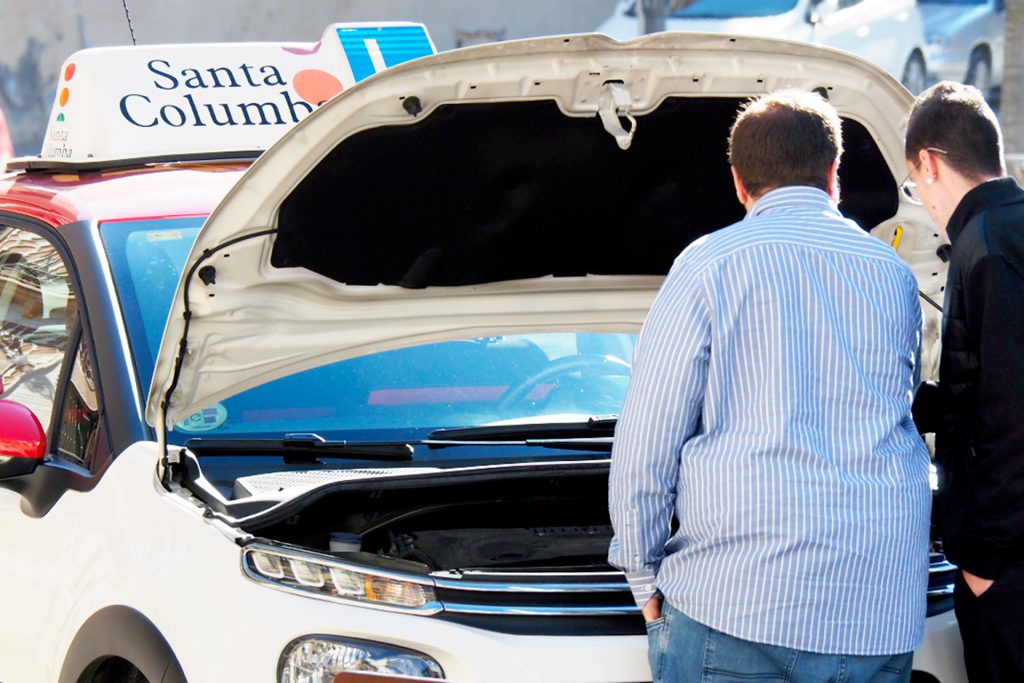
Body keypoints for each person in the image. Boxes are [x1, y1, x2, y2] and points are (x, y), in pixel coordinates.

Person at [608, 89, 931, 682]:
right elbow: (900, 410)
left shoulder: (710, 262)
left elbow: (647, 439)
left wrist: (641, 574)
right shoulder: (892, 275)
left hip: (737, 603)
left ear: (738, 182)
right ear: (835, 174)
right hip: (876, 607)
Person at [905, 81, 1024, 681]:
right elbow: (984, 389)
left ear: (929, 162)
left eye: (912, 184)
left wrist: (985, 558)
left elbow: (1011, 414)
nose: (920, 200)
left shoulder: (985, 247)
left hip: (1008, 566)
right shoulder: (1009, 230)